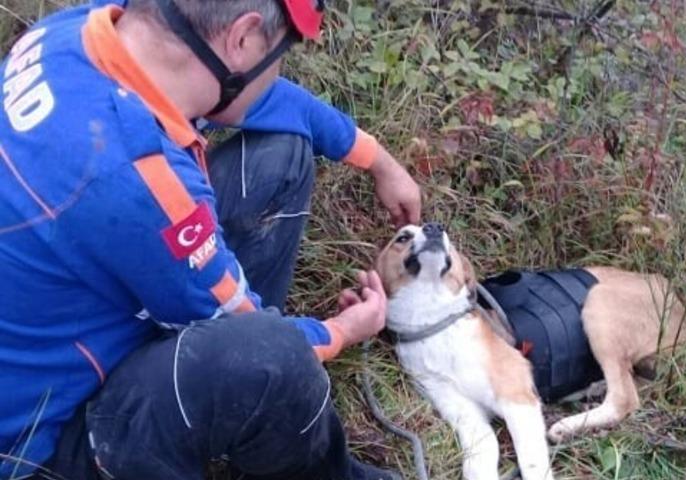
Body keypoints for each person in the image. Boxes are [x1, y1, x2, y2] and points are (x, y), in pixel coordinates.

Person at [0, 0, 421, 478]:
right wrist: (344, 330)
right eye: (281, 50)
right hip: (42, 442)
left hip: (66, 308)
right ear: (242, 39)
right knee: (275, 361)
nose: (278, 67)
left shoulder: (82, 32)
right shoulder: (144, 184)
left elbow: (270, 100)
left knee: (280, 154)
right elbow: (263, 344)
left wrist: (379, 160)